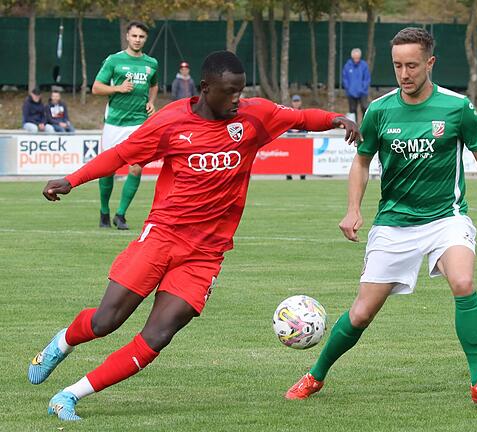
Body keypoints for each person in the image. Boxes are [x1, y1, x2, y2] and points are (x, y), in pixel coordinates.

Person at [29, 50, 360, 422]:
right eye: (229, 91)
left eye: (241, 90)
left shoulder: (254, 115)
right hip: (161, 237)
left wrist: (336, 119)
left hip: (206, 254)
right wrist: (71, 180)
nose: (237, 99)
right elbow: (120, 155)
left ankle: (68, 396)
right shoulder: (170, 122)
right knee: (106, 321)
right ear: (205, 88)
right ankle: (62, 343)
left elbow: (301, 118)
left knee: (157, 336)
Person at [285, 27, 477, 406]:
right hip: (394, 223)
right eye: (397, 66)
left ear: (430, 63)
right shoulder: (379, 110)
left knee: (463, 281)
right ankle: (315, 375)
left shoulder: (456, 107)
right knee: (361, 313)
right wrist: (353, 208)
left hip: (447, 218)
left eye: (412, 65)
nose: (404, 73)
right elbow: (361, 162)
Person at [92, 21, 158, 230]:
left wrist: (151, 101)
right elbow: (96, 88)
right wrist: (118, 88)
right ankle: (104, 211)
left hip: (139, 122)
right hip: (115, 123)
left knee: (136, 168)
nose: (138, 40)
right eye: (134, 36)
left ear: (145, 39)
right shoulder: (114, 60)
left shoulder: (151, 63)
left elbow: (154, 85)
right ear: (127, 37)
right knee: (107, 170)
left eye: (142, 37)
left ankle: (120, 214)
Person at [342, 48, 371, 121]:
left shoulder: (364, 65)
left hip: (362, 92)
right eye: (355, 57)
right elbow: (345, 78)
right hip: (351, 93)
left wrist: (363, 88)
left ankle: (365, 124)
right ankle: (354, 126)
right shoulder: (347, 66)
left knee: (364, 108)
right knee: (352, 110)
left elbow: (367, 78)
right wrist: (348, 88)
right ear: (352, 57)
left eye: (358, 57)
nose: (356, 59)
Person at [287, 94, 307, 180]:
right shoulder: (288, 113)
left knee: (301, 157)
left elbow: (307, 125)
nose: (296, 103)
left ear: (300, 102)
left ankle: (302, 174)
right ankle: (289, 174)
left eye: (297, 101)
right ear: (292, 103)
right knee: (290, 157)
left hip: (301, 138)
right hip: (290, 138)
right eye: (294, 101)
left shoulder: (303, 113)